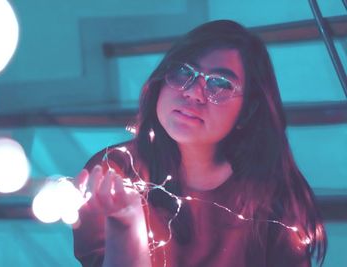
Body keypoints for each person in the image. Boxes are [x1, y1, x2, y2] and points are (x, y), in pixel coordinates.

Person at [72, 20, 327, 267]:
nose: (193, 91)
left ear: (247, 111)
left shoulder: (274, 192)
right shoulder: (115, 172)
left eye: (220, 84)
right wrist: (125, 225)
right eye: (183, 71)